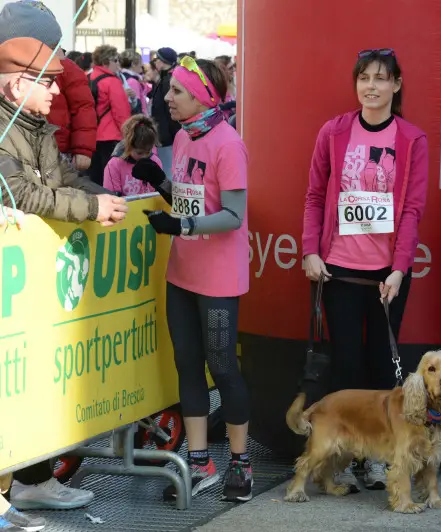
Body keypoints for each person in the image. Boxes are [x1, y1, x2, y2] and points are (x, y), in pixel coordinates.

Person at [0, 29, 126, 528]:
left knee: (31, 387)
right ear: (14, 85)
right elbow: (23, 196)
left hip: (33, 296)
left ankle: (31, 481)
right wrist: (93, 207)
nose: (57, 92)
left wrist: (109, 201)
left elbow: (63, 184)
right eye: (46, 82)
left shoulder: (36, 128)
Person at [301, 48, 428, 491]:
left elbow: (412, 209)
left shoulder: (412, 139)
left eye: (380, 78)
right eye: (363, 78)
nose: (371, 86)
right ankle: (345, 457)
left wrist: (398, 269)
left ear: (396, 85)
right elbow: (315, 194)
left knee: (381, 366)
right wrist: (311, 251)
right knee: (347, 366)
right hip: (338, 270)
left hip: (386, 275)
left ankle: (379, 459)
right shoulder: (334, 132)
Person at [130, 57, 252, 502]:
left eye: (176, 91)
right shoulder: (182, 137)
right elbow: (189, 202)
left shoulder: (228, 143)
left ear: (201, 95)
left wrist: (181, 228)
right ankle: (201, 463)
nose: (167, 98)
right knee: (188, 365)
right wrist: (160, 181)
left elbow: (233, 216)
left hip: (218, 278)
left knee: (222, 367)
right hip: (181, 273)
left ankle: (241, 464)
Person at [13, 0, 97, 174]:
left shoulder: (65, 67)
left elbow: (83, 107)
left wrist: (82, 149)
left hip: (58, 150)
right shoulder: (12, 65)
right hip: (18, 149)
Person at [87, 45, 131, 185]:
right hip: (110, 137)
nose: (118, 64)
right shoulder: (112, 82)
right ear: (106, 62)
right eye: (116, 60)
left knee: (94, 178)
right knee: (110, 180)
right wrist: (129, 135)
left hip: (89, 136)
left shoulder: (87, 78)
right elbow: (121, 113)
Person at [103, 114, 161, 196]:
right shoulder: (114, 165)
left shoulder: (155, 161)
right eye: (139, 153)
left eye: (148, 151)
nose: (144, 157)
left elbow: (160, 192)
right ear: (128, 146)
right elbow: (112, 198)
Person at [149, 47, 180, 177]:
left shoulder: (168, 81)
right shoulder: (165, 79)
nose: (155, 62)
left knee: (168, 171)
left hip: (166, 136)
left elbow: (170, 111)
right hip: (164, 134)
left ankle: (170, 196)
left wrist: (172, 136)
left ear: (162, 62)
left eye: (157, 59)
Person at [119, 49, 149, 115]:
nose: (142, 65)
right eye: (140, 62)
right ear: (133, 64)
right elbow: (136, 107)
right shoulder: (132, 81)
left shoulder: (123, 77)